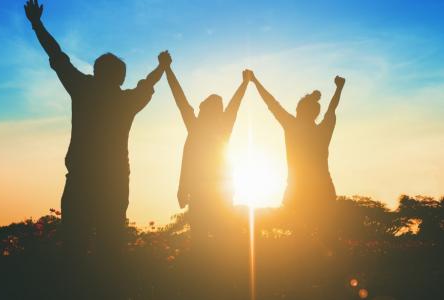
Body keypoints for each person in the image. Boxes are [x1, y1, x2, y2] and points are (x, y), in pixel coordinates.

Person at [24, 0, 169, 256]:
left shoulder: (83, 89)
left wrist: (37, 24)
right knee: (110, 248)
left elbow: (57, 55)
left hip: (81, 180)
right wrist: (162, 66)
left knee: (74, 246)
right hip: (114, 182)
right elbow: (148, 83)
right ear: (121, 78)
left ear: (95, 71)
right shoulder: (126, 101)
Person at [162, 52, 251, 244]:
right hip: (212, 194)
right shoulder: (215, 128)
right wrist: (245, 83)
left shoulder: (200, 128)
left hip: (211, 194)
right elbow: (181, 99)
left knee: (207, 241)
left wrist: (167, 69)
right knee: (215, 241)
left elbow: (181, 100)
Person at [249, 71, 346, 234]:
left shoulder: (292, 126)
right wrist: (339, 88)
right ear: (315, 113)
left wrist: (254, 80)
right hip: (323, 190)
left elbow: (271, 103)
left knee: (300, 241)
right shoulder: (323, 130)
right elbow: (331, 109)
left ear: (299, 110)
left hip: (298, 191)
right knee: (326, 238)